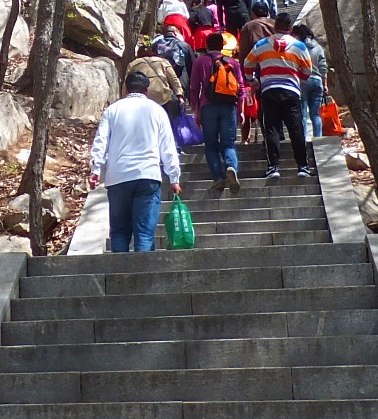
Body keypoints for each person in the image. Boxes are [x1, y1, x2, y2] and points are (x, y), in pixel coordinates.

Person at [90, 70, 181, 252]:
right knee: (145, 234)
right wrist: (174, 178)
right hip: (148, 175)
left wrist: (95, 169)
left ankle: (120, 276)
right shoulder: (157, 111)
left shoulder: (112, 110)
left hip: (118, 177)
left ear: (125, 89)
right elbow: (168, 147)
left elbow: (101, 140)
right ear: (147, 91)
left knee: (119, 233)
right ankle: (143, 277)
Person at [245, 13, 315, 178]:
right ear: (290, 29)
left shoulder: (262, 44)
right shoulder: (299, 46)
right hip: (291, 91)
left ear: (275, 27)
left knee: (271, 129)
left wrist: (252, 81)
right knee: (296, 128)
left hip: (269, 90)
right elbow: (307, 71)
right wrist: (299, 79)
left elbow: (247, 64)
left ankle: (273, 167)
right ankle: (303, 166)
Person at [188, 32, 243, 192]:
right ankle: (231, 168)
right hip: (228, 106)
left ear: (206, 45)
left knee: (211, 145)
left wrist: (196, 110)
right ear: (223, 45)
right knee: (228, 143)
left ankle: (218, 177)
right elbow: (240, 87)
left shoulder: (200, 61)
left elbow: (194, 88)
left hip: (207, 107)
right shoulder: (232, 62)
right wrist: (241, 110)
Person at [291, 20, 327, 138]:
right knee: (315, 114)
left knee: (303, 114)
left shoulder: (298, 48)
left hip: (303, 81)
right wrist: (325, 83)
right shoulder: (318, 47)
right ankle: (318, 138)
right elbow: (323, 67)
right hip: (317, 82)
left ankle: (304, 139)